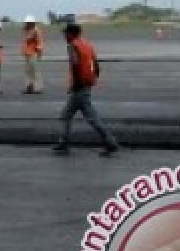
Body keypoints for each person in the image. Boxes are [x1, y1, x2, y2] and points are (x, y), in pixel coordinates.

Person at [52, 23, 119, 157]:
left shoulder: (72, 46)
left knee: (87, 118)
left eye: (66, 33)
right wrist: (91, 80)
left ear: (71, 34)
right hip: (86, 85)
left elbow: (75, 65)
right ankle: (64, 143)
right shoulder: (87, 44)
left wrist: (76, 84)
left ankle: (110, 142)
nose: (64, 36)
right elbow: (96, 65)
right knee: (70, 115)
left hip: (79, 88)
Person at [20, 15, 45, 94]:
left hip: (34, 53)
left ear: (32, 23)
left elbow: (40, 42)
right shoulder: (27, 30)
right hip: (27, 53)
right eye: (26, 23)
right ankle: (29, 87)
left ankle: (37, 88)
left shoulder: (36, 31)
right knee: (28, 71)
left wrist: (39, 53)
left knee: (35, 71)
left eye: (28, 23)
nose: (27, 24)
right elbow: (26, 40)